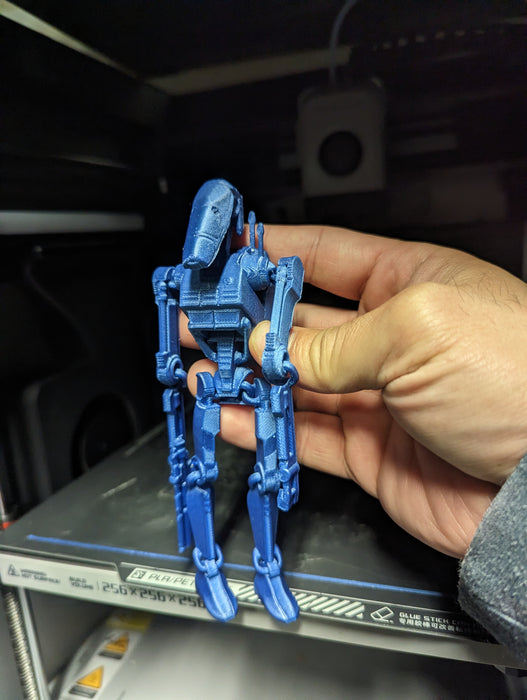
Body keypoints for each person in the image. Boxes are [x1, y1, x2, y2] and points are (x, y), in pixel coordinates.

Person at [181, 224, 527, 662]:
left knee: (265, 479)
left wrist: (281, 344)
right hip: (221, 373)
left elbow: (287, 278)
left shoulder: (254, 264)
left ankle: (267, 568)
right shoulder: (192, 281)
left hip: (260, 375)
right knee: (201, 471)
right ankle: (208, 566)